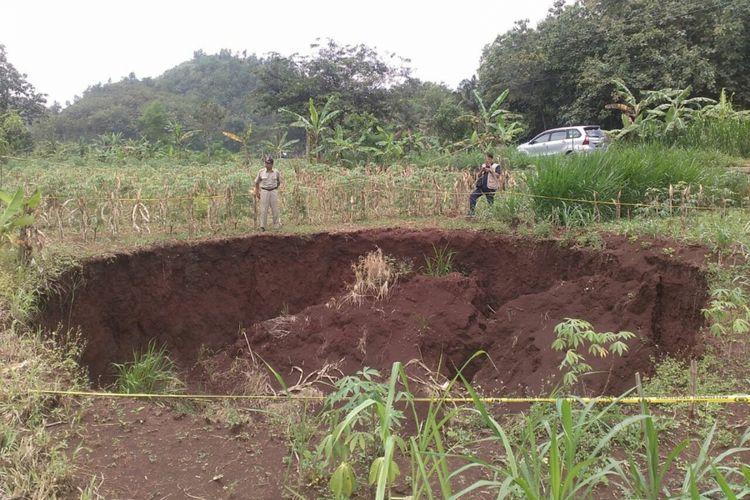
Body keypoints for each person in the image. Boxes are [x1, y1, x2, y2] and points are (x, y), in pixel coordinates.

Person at [253, 155, 282, 231]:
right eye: (266, 163)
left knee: (275, 208)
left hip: (273, 191)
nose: (267, 165)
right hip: (264, 191)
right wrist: (257, 192)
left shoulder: (276, 172)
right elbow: (256, 182)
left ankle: (276, 225)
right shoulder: (261, 172)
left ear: (272, 164)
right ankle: (263, 226)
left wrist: (275, 188)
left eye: (268, 163)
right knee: (263, 209)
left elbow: (279, 182)